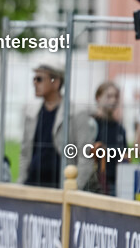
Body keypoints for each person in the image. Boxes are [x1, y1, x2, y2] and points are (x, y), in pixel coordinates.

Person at [19, 61, 96, 189]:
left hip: (61, 187)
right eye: (34, 79)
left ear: (56, 82)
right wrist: (21, 184)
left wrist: (74, 188)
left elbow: (85, 156)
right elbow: (24, 153)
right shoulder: (31, 114)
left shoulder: (76, 114)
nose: (34, 83)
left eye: (39, 79)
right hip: (32, 185)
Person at [92, 81, 128, 196]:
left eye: (116, 96)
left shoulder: (120, 129)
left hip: (114, 184)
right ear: (98, 98)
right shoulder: (90, 124)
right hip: (93, 183)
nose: (113, 100)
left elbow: (124, 157)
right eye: (109, 96)